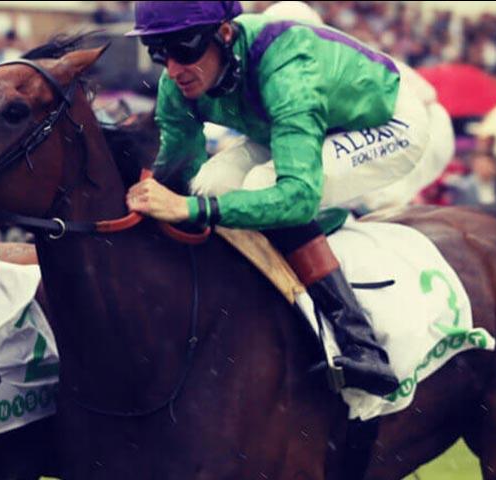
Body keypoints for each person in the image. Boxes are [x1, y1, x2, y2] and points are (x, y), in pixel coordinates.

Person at [122, 1, 455, 395]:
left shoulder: (288, 68)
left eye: (184, 49)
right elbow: (178, 168)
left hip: (388, 122)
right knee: (210, 184)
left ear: (224, 34)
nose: (174, 68)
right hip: (297, 123)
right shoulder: (177, 83)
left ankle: (360, 341)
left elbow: (296, 195)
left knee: (264, 186)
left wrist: (188, 208)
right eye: (159, 53)